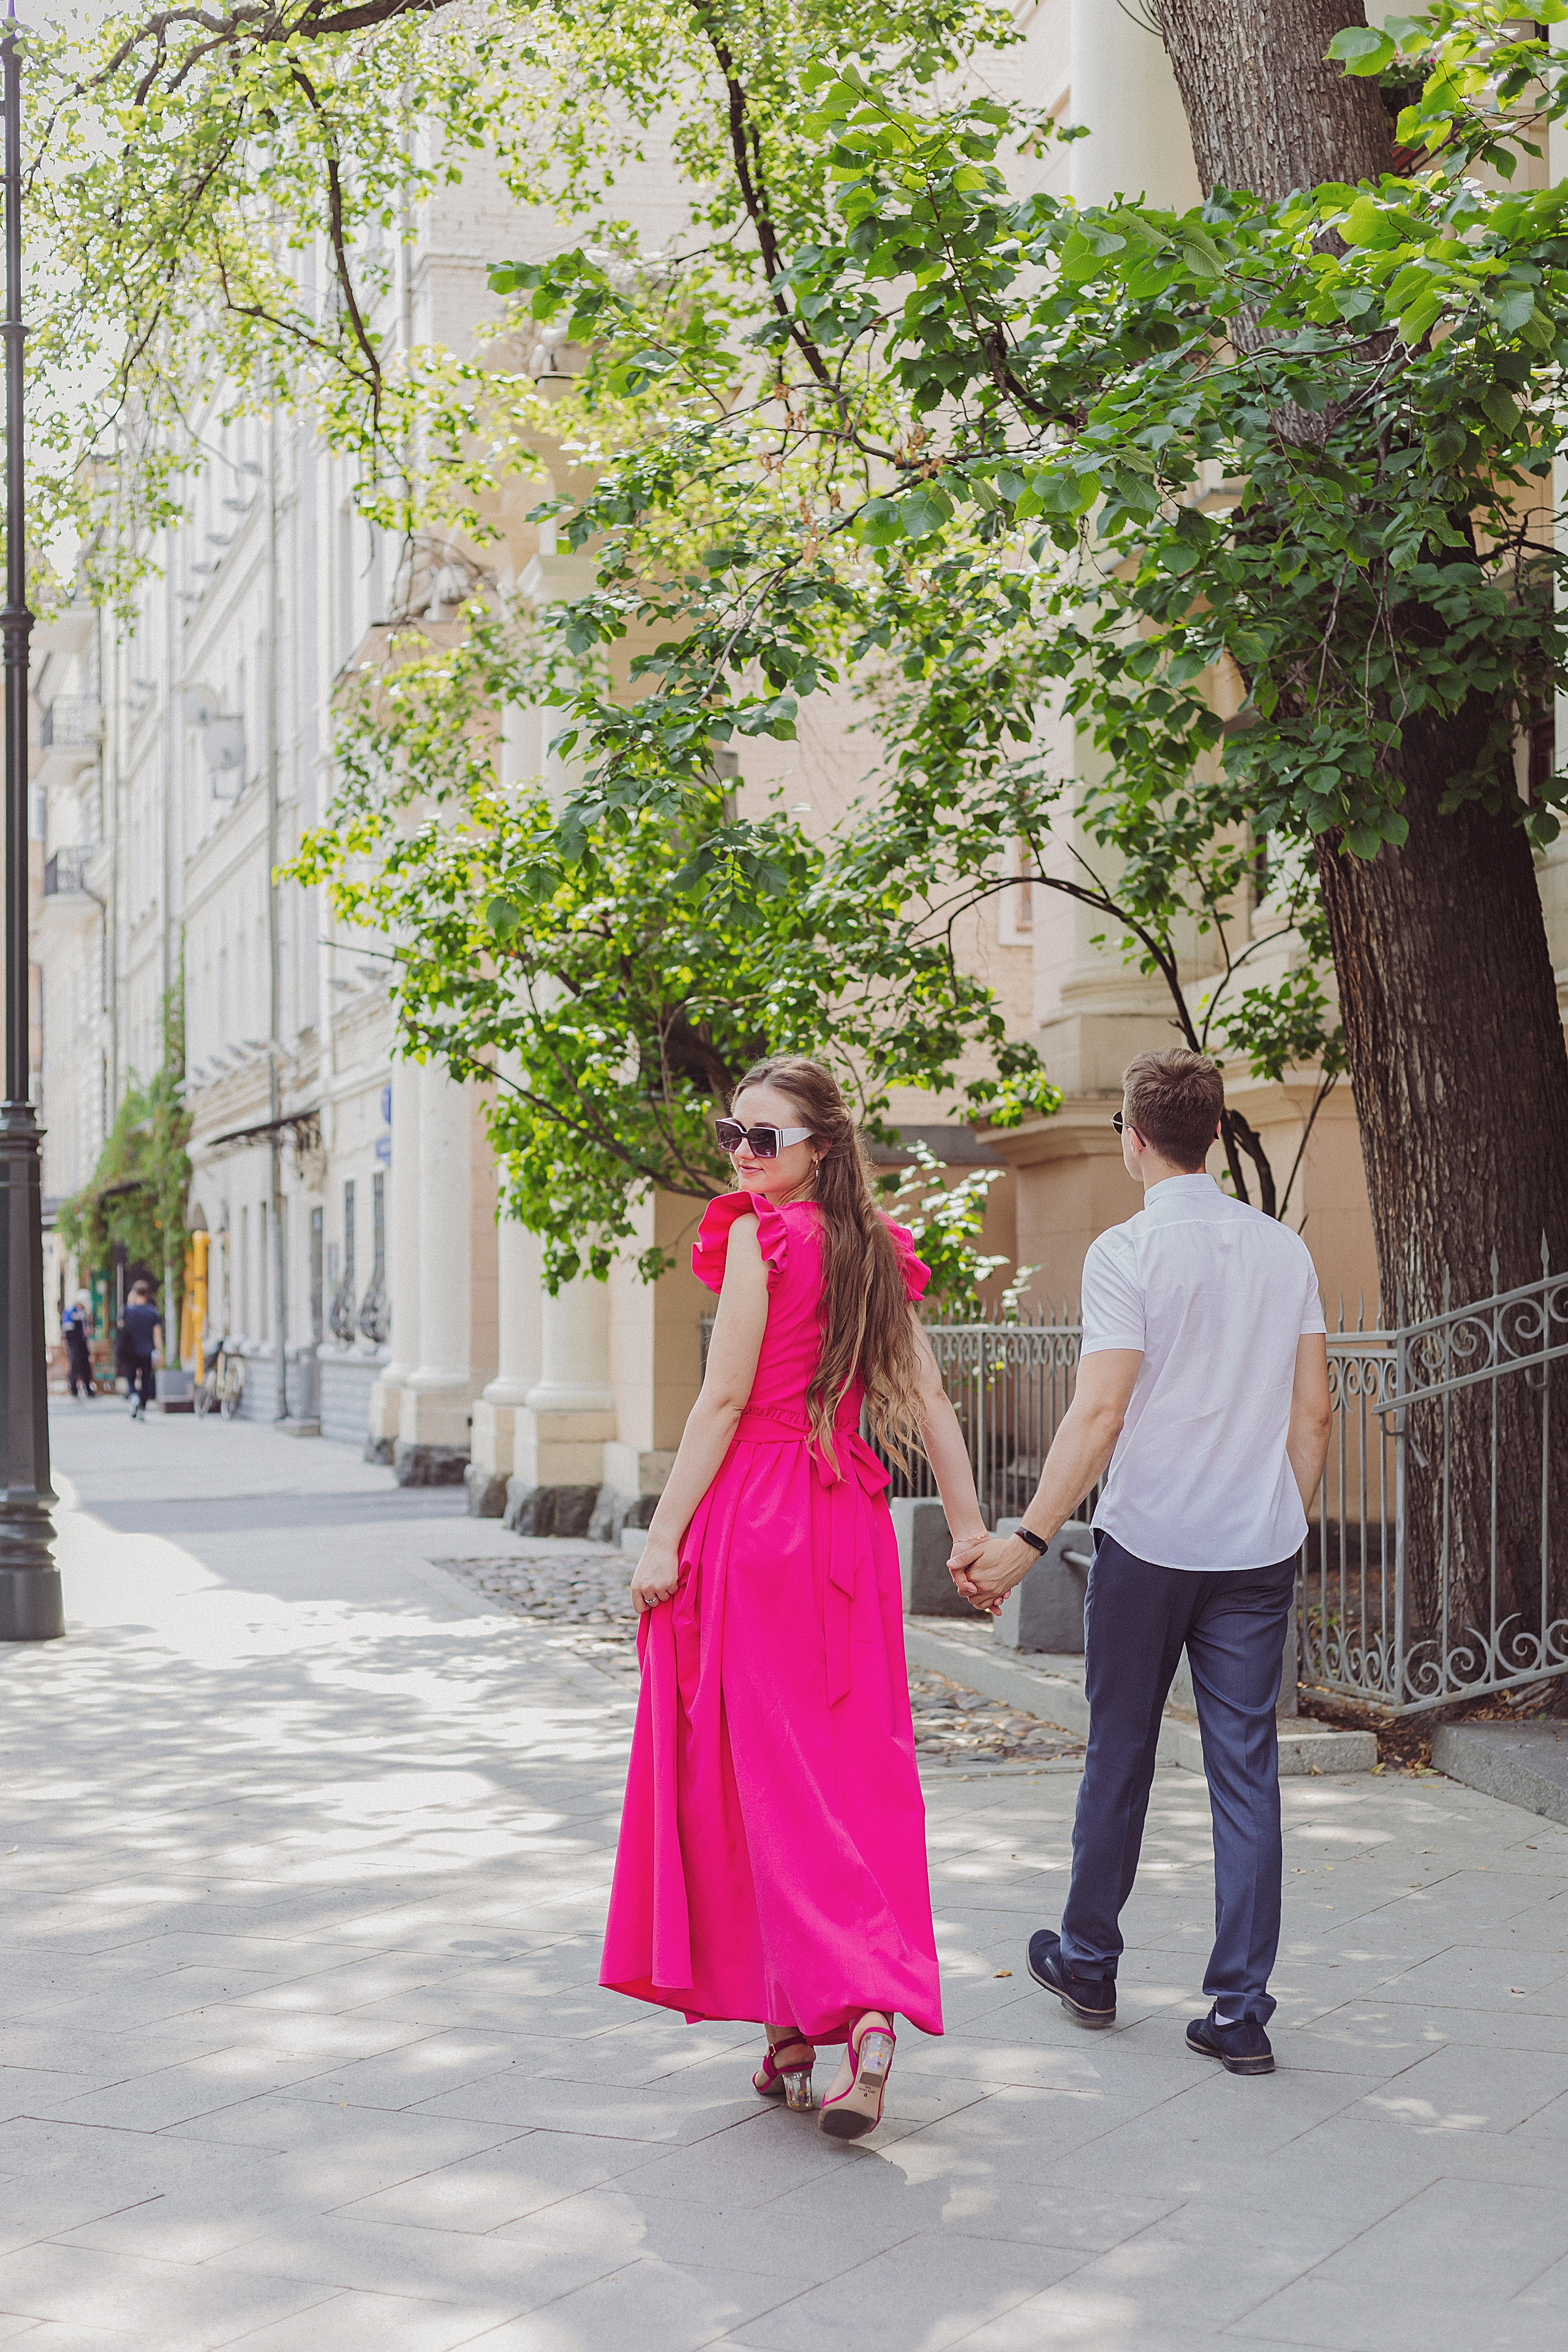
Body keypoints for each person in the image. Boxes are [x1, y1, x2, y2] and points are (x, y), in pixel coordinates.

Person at [600, 1054, 992, 2139]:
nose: (740, 1154)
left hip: (760, 1522)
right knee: (846, 1774)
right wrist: (967, 1533)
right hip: (851, 1531)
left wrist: (662, 1535)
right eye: (734, 1133)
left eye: (763, 1139)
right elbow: (933, 1404)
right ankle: (835, 2023)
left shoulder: (759, 1240)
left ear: (820, 1147)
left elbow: (725, 1397)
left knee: (747, 1775)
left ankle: (814, 2019)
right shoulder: (876, 1252)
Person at [951, 1048, 1333, 2078]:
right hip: (1257, 1551)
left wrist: (1024, 1539)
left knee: (1119, 1754)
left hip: (1150, 1544)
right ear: (1215, 1135)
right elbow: (1315, 1410)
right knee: (1244, 1771)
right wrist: (1279, 1515)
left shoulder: (1124, 1254)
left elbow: (1102, 1410)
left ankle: (1088, 1961)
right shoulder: (1281, 1252)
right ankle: (1242, 2012)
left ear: (1131, 1138)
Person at [118, 1281, 163, 1420]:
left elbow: (121, 1329)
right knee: (146, 1379)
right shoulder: (152, 1312)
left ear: (134, 1293)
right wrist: (160, 1352)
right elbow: (157, 1334)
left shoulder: (127, 1311)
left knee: (130, 1378)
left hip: (130, 1351)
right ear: (148, 1295)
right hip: (147, 1351)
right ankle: (142, 1406)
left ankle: (133, 1397)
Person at [62, 1290, 95, 1401]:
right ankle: (74, 1389)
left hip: (82, 1343)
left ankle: (88, 1388)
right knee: (75, 1365)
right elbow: (68, 1331)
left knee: (86, 1365)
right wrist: (82, 1333)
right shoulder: (70, 1311)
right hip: (74, 1344)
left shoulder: (83, 1312)